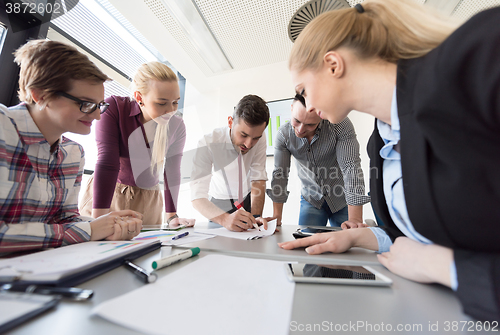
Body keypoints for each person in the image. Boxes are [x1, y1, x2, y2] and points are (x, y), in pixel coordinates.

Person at [279, 0, 500, 321]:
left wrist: (440, 266)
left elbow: (431, 250)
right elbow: (418, 234)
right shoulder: (381, 142)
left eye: (302, 90)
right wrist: (363, 236)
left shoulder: (476, 57)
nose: (307, 103)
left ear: (332, 64)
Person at [0, 40, 143, 255]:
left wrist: (106, 227)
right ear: (40, 95)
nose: (96, 116)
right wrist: (88, 230)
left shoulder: (73, 154)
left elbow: (65, 220)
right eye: (85, 104)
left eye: (100, 106)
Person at [79, 62, 194, 228]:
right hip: (108, 195)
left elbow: (172, 170)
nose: (171, 110)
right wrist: (99, 221)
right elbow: (107, 162)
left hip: (149, 200)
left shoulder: (177, 126)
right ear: (139, 98)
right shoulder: (115, 109)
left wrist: (171, 216)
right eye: (162, 103)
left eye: (175, 102)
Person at [266, 93, 370, 228]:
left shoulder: (340, 125)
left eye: (309, 124)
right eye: (296, 120)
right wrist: (277, 217)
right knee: (306, 243)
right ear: (291, 109)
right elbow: (280, 174)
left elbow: (351, 167)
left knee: (350, 243)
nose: (300, 129)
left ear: (322, 115)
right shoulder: (283, 135)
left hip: (342, 199)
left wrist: (355, 219)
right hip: (311, 200)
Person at [191, 95, 269, 232]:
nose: (249, 144)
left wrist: (256, 216)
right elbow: (197, 196)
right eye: (243, 135)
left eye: (256, 138)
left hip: (247, 199)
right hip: (218, 204)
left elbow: (258, 179)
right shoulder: (208, 142)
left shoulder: (261, 140)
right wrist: (224, 219)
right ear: (230, 122)